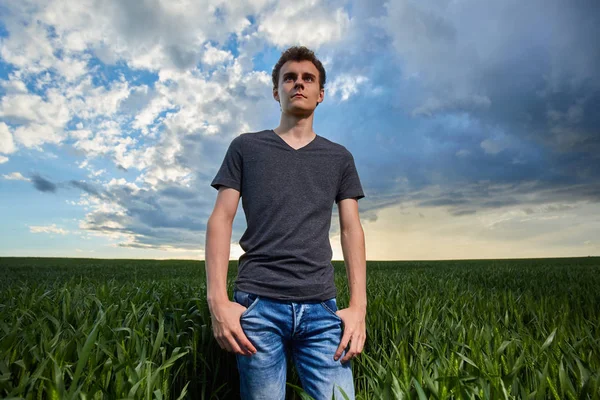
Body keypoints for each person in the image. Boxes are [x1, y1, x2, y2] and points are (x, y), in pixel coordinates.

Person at [205, 45, 367, 400]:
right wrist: (217, 300)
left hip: (322, 309)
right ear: (275, 90)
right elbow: (221, 218)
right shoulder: (245, 147)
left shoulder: (339, 157)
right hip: (257, 306)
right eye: (289, 78)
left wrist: (358, 309)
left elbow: (352, 230)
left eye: (308, 78)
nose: (298, 83)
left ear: (320, 93)